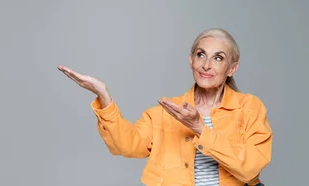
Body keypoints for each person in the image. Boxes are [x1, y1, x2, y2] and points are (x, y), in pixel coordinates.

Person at [57, 28, 272, 186]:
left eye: (218, 58)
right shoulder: (166, 111)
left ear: (232, 68)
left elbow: (250, 167)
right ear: (191, 61)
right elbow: (126, 145)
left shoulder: (250, 108)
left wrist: (200, 128)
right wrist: (104, 97)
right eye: (201, 54)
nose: (206, 65)